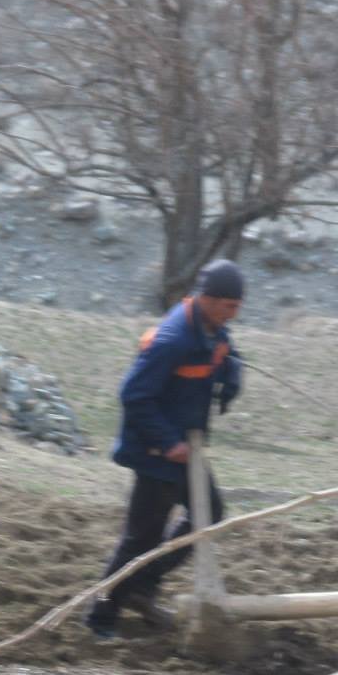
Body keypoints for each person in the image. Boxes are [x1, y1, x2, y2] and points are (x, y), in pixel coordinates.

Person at [84, 259, 245, 643]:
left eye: (238, 307)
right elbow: (134, 396)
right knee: (140, 538)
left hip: (186, 449)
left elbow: (226, 352)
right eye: (229, 306)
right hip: (156, 453)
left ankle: (144, 585)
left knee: (210, 514)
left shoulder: (211, 327)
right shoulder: (172, 340)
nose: (234, 314)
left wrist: (231, 378)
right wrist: (166, 442)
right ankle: (100, 618)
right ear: (207, 299)